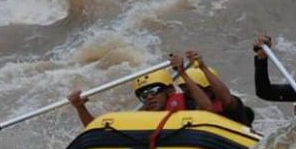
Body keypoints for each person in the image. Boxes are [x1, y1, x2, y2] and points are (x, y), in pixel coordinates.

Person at [67, 55, 215, 127]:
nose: (149, 97)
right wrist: (80, 107)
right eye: (143, 95)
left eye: (154, 90)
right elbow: (97, 130)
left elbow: (207, 108)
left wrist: (182, 73)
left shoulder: (187, 105)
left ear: (169, 91)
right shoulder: (139, 118)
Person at [176, 50, 254, 126]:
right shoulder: (187, 104)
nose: (190, 95)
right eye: (184, 90)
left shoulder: (232, 104)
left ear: (209, 90)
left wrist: (202, 67)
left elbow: (221, 101)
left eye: (191, 90)